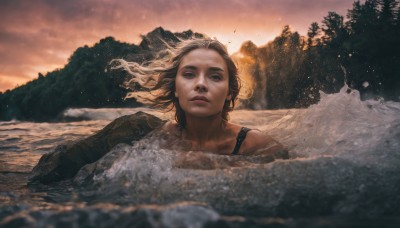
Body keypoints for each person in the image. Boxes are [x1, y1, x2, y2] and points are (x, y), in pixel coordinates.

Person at [111, 38, 288, 159]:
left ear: (229, 93)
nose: (201, 84)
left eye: (215, 77)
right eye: (189, 74)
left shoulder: (257, 145)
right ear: (175, 89)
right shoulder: (155, 139)